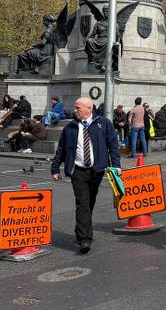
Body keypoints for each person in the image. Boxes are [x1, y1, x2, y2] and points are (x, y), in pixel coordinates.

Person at [51, 97, 121, 255]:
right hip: (78, 170)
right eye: (75, 108)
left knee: (89, 202)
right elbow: (61, 149)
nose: (75, 110)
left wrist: (116, 165)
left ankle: (80, 228)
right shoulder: (70, 127)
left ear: (89, 108)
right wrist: (55, 168)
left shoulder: (103, 123)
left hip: (97, 170)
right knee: (82, 203)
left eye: (78, 108)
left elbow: (113, 145)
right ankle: (85, 239)